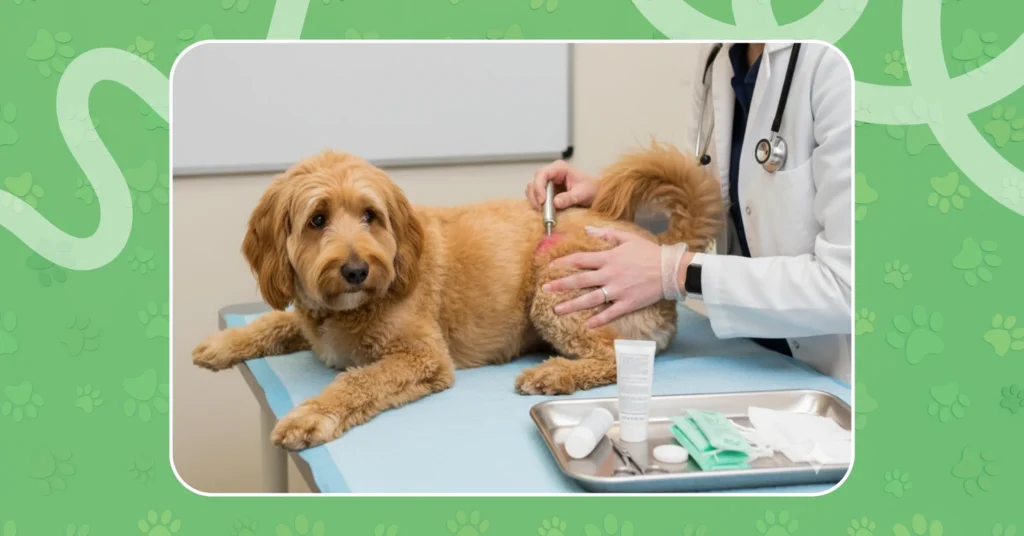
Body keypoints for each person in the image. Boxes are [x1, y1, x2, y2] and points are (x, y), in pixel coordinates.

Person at [525, 42, 852, 382]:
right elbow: (715, 208)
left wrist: (676, 272)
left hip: (831, 369)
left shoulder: (837, 65)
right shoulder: (718, 56)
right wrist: (609, 199)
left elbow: (849, 286)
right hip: (745, 352)